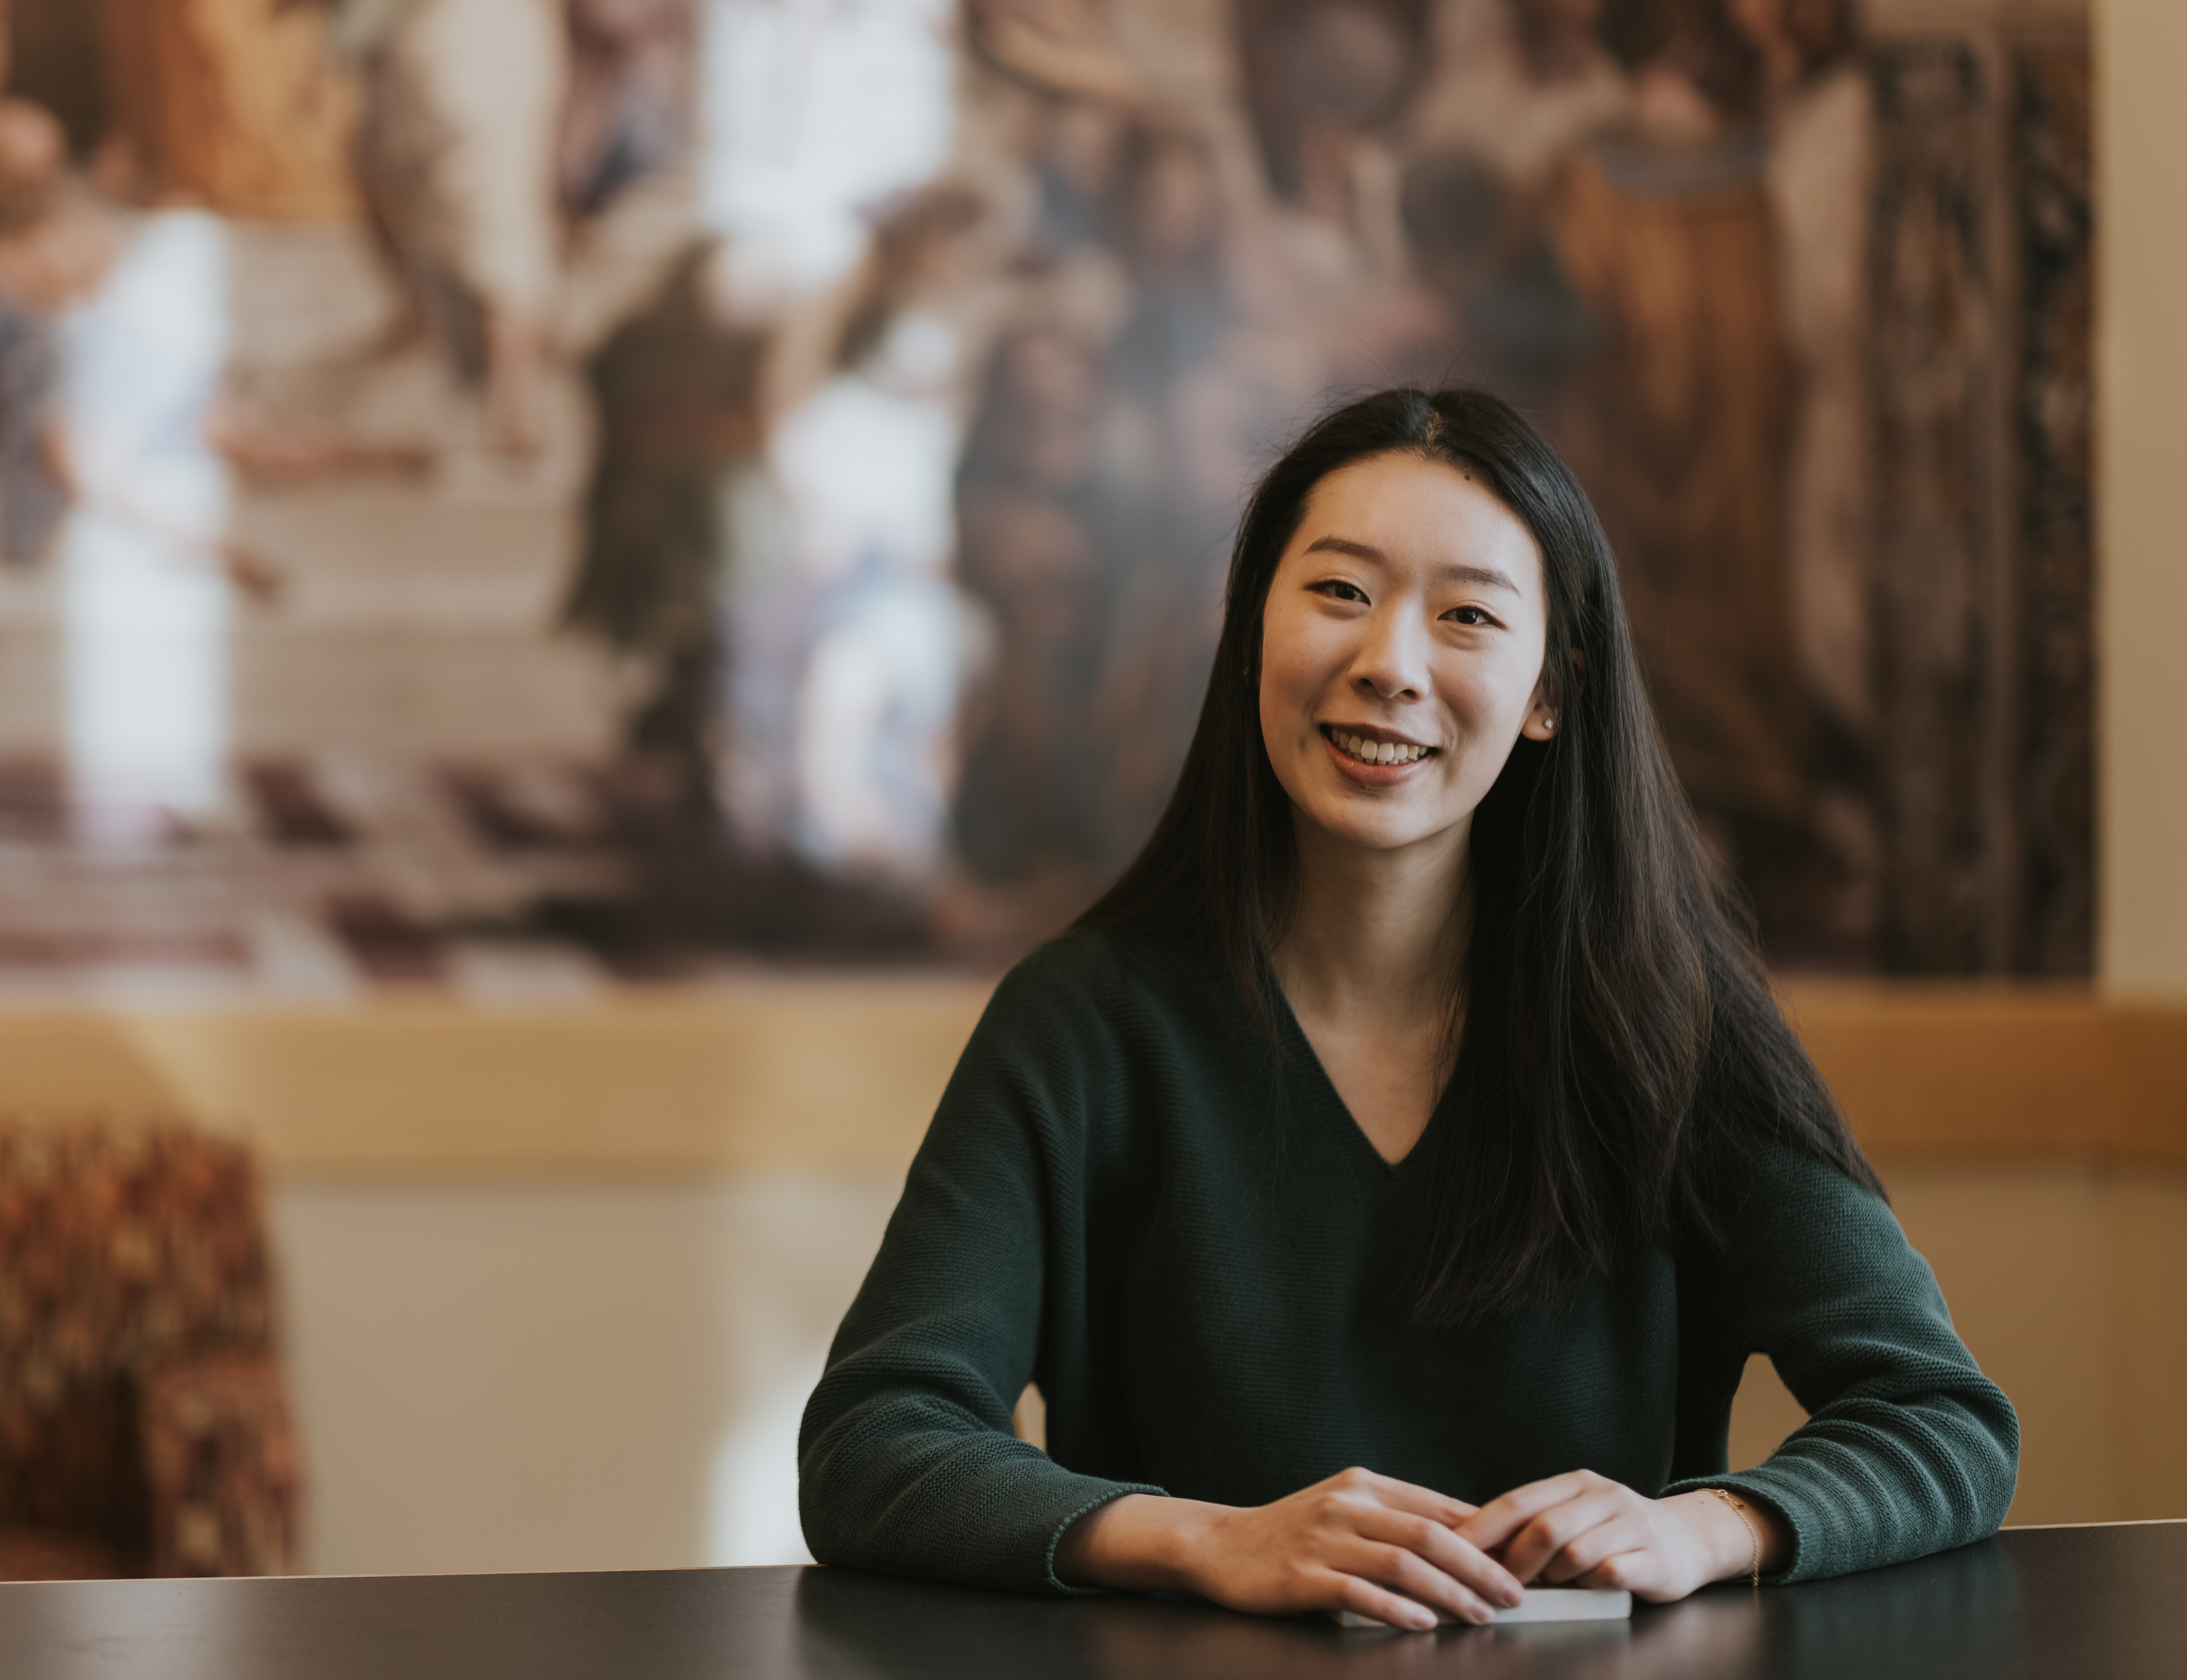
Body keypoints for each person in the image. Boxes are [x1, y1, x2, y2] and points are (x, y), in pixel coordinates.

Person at [798, 386, 2016, 1627]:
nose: (1389, 664)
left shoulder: (1674, 1026)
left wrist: (1700, 1525)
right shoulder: (1082, 1024)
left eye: (1470, 616)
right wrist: (1208, 1541)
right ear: (1251, 632)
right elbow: (873, 1439)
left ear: (1550, 693)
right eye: (1338, 591)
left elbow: (1941, 1418)